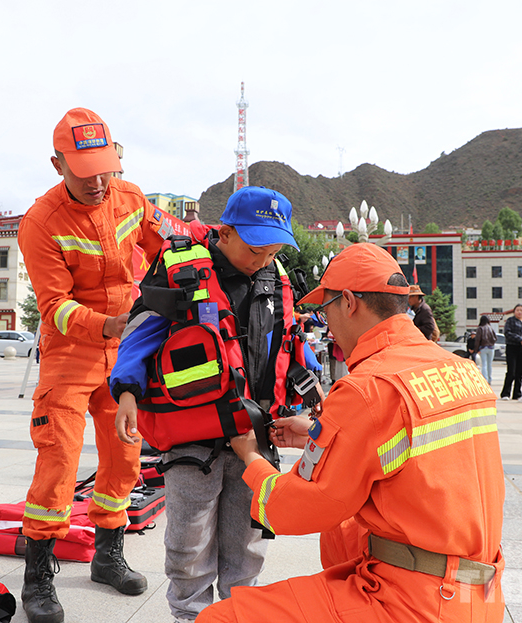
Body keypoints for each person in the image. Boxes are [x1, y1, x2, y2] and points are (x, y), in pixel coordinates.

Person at [196, 243, 505, 623]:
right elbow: (412, 449)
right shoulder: (461, 369)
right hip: (480, 593)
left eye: (326, 310)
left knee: (222, 618)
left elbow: (299, 508)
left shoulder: (368, 387)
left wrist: (251, 457)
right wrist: (323, 434)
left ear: (348, 302)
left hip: (416, 602)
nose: (327, 325)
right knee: (345, 530)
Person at [112, 186, 322, 622]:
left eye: (273, 251)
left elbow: (288, 339)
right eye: (256, 249)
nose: (264, 259)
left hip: (254, 435)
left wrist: (311, 384)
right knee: (188, 543)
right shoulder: (182, 269)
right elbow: (141, 330)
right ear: (225, 232)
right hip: (193, 437)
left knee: (247, 543)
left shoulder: (275, 278)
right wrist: (127, 390)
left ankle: (237, 614)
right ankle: (190, 615)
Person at [17, 108, 172, 623]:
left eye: (106, 169)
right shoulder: (40, 223)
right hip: (70, 351)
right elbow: (54, 306)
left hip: (125, 349)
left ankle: (108, 556)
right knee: (59, 459)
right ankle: (38, 576)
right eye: (85, 173)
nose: (99, 182)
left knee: (126, 454)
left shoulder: (131, 198)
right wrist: (108, 324)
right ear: (58, 165)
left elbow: (164, 250)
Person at [500, 304, 522, 400]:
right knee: (511, 372)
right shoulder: (510, 321)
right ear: (514, 312)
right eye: (517, 310)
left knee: (520, 372)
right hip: (512, 347)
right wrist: (519, 339)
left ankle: (517, 393)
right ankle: (505, 393)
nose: (519, 312)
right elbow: (507, 333)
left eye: (521, 310)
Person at [476, 315, 497, 384]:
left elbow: (477, 340)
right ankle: (489, 379)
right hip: (491, 348)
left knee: (484, 364)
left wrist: (476, 349)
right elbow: (495, 338)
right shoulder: (491, 328)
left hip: (483, 347)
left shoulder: (480, 328)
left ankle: (485, 379)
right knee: (489, 364)